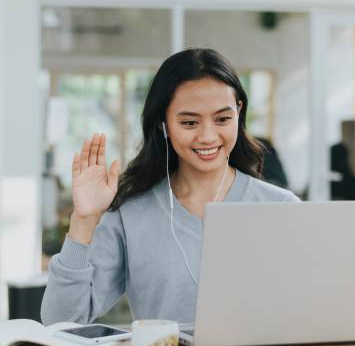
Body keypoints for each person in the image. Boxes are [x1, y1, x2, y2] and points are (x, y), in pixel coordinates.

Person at [41, 48, 300, 326]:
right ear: (164, 123)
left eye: (222, 119)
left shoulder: (282, 208)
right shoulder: (131, 214)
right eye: (189, 122)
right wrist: (84, 220)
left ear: (239, 111)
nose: (208, 136)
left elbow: (308, 311)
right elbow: (61, 322)